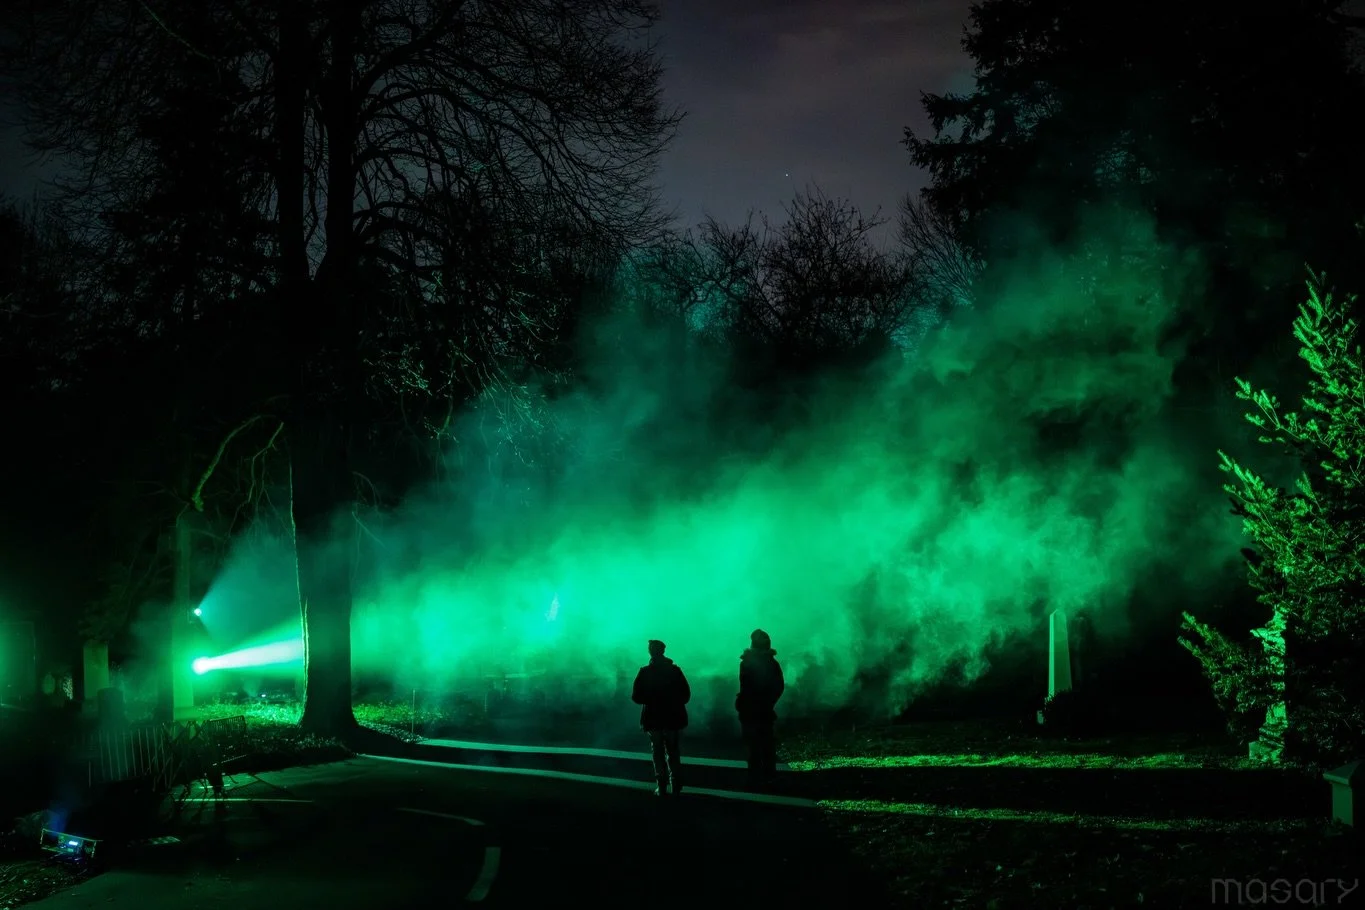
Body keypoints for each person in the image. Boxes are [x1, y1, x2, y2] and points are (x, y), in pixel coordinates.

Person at [631, 639, 691, 796]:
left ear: (651, 652)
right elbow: (686, 695)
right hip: (673, 718)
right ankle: (676, 785)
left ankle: (662, 786)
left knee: (657, 752)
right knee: (673, 752)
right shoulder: (675, 671)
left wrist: (652, 699)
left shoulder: (645, 672)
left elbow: (636, 697)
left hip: (653, 718)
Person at [735, 628, 784, 788]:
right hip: (762, 711)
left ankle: (754, 777)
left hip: (750, 711)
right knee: (766, 745)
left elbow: (745, 688)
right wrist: (769, 702)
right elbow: (779, 687)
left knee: (753, 746)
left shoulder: (746, 663)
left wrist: (744, 703)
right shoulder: (771, 664)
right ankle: (768, 777)